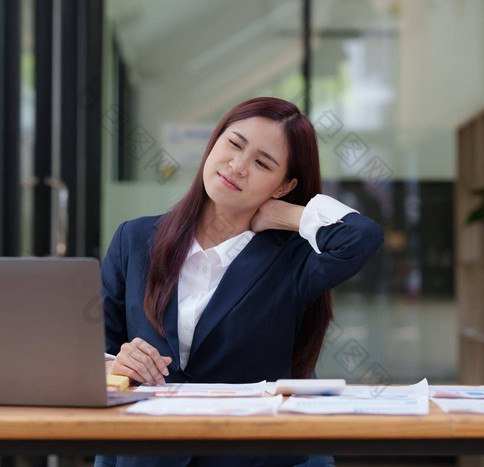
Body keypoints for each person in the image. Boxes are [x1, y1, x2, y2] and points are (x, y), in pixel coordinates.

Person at [95, 97, 384, 467]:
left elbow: (363, 237)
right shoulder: (134, 239)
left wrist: (287, 214)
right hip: (148, 454)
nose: (238, 166)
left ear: (283, 185)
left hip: (248, 457)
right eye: (234, 144)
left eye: (263, 163)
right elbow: (94, 350)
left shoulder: (292, 260)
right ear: (214, 142)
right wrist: (117, 363)